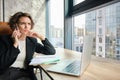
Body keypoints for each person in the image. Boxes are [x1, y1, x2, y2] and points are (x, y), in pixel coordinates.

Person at [0, 12, 56, 80]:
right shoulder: (4, 39)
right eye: (23, 23)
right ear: (15, 25)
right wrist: (15, 44)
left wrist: (41, 37)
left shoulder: (31, 41)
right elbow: (2, 63)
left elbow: (51, 51)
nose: (26, 26)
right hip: (7, 73)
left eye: (29, 24)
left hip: (25, 73)